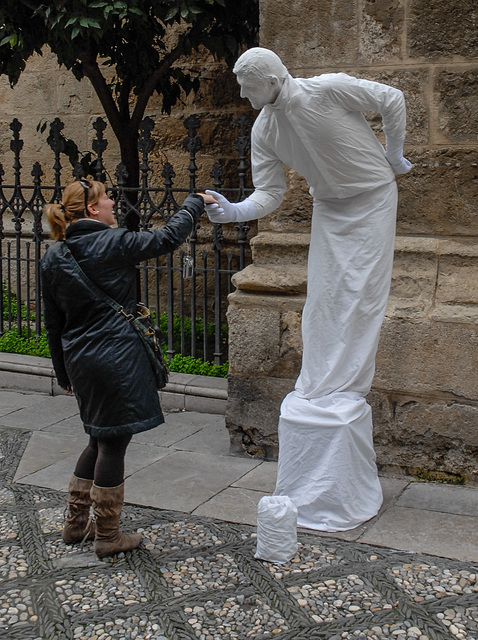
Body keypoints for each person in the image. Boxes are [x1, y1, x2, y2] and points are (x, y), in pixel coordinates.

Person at [204, 47, 412, 532]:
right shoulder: (264, 129)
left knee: (360, 300)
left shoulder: (327, 86)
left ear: (272, 77)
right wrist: (231, 212)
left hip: (373, 198)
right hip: (332, 211)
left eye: (247, 84)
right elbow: (270, 194)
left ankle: (344, 386)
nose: (241, 94)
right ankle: (321, 386)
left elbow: (392, 98)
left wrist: (394, 155)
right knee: (322, 301)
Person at [41, 179, 213, 558]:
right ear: (91, 210)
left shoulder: (53, 255)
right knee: (113, 442)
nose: (113, 202)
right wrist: (193, 203)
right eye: (106, 198)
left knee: (97, 438)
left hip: (80, 359)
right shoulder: (112, 242)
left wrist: (62, 372)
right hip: (116, 356)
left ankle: (75, 524)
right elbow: (167, 239)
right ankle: (107, 535)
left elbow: (53, 323)